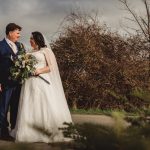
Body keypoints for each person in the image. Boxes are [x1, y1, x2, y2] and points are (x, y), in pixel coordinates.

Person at [11, 31, 72, 143]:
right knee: (29, 104)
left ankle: (47, 131)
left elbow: (51, 66)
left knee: (45, 104)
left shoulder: (46, 51)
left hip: (42, 81)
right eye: (30, 39)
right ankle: (30, 132)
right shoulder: (29, 52)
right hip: (29, 82)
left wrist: (39, 70)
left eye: (32, 39)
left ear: (38, 39)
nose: (30, 40)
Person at [0, 23, 25, 140]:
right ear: (10, 33)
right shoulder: (1, 46)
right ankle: (3, 133)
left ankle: (14, 131)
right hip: (5, 84)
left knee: (15, 107)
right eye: (17, 33)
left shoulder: (19, 46)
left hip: (18, 83)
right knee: (3, 109)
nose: (19, 36)